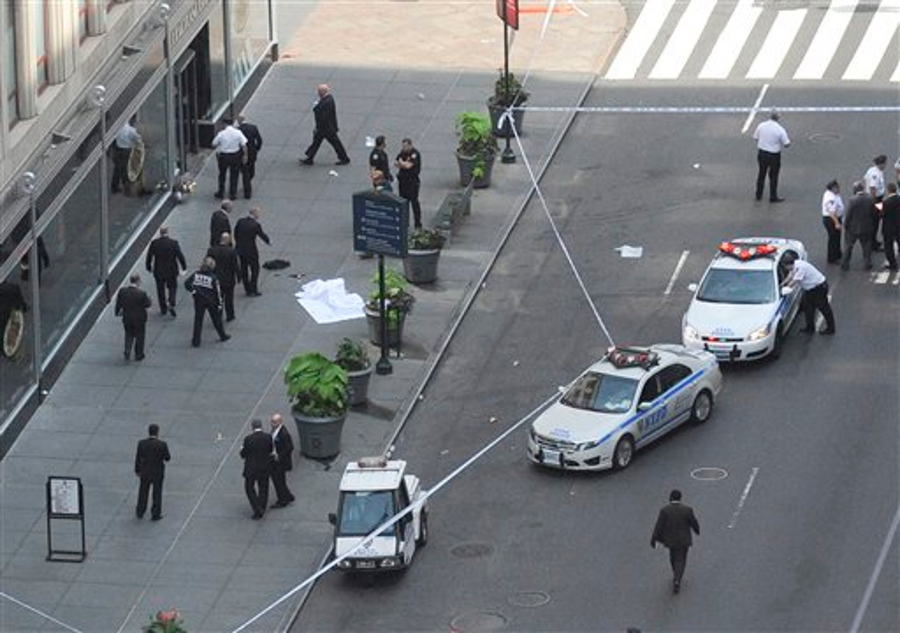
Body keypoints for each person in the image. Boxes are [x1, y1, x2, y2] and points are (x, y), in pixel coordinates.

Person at [651, 489, 700, 594]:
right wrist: (697, 530)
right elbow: (693, 522)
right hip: (684, 540)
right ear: (680, 498)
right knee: (681, 559)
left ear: (670, 498)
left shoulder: (665, 510)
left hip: (671, 540)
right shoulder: (687, 510)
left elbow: (658, 526)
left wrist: (654, 539)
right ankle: (677, 578)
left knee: (673, 557)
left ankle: (676, 573)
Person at [782, 252, 835, 335]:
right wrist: (781, 284)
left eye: (785, 267)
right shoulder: (794, 266)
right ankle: (810, 328)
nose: (785, 269)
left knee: (824, 308)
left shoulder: (800, 268)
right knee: (808, 308)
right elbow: (789, 277)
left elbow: (794, 281)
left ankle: (831, 328)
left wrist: (784, 289)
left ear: (789, 264)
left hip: (819, 288)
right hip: (810, 290)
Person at [183, 257, 230, 347]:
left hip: (198, 300)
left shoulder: (196, 275)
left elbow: (187, 283)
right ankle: (222, 335)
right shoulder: (213, 278)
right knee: (216, 320)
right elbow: (218, 292)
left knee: (198, 320)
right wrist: (219, 304)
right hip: (211, 301)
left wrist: (194, 291)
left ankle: (196, 341)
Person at [300, 84, 350, 166]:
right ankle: (310, 158)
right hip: (327, 128)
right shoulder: (328, 99)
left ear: (323, 91)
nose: (318, 93)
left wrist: (317, 127)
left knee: (335, 143)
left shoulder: (327, 102)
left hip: (326, 128)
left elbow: (323, 117)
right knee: (317, 142)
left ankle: (344, 158)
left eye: (319, 91)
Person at [145, 226, 187, 317]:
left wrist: (148, 267)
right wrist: (184, 267)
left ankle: (163, 308)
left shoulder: (154, 243)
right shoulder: (173, 243)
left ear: (160, 233)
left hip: (159, 270)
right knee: (173, 287)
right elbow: (180, 256)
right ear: (167, 232)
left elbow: (149, 256)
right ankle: (171, 302)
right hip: (171, 270)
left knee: (160, 290)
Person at [134, 424, 171, 521]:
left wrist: (137, 470)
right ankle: (155, 514)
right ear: (157, 432)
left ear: (149, 432)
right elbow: (167, 458)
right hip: (157, 472)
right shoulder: (162, 444)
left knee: (143, 491)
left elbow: (138, 458)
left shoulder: (141, 443)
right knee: (157, 493)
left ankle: (140, 511)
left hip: (145, 471)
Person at [753, 109, 790, 203]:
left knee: (761, 173)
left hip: (762, 153)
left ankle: (758, 194)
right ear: (778, 117)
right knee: (773, 176)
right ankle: (773, 196)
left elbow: (755, 137)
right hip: (774, 155)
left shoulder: (761, 125)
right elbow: (787, 144)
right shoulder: (780, 129)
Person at [240, 419, 273, 519]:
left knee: (249, 488)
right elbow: (270, 450)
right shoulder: (268, 437)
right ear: (261, 426)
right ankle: (262, 506)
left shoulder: (248, 439)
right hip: (264, 467)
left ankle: (257, 507)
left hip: (251, 468)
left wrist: (242, 449)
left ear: (252, 427)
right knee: (263, 487)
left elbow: (243, 454)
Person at [233, 207, 270, 296]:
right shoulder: (255, 225)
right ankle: (254, 288)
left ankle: (247, 289)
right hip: (251, 250)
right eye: (258, 213)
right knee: (255, 269)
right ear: (255, 214)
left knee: (244, 268)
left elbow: (235, 233)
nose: (259, 215)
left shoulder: (240, 221)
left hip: (240, 250)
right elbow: (261, 235)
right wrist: (268, 241)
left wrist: (238, 243)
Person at [115, 273, 151, 361]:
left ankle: (127, 350)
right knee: (140, 336)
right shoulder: (142, 293)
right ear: (138, 281)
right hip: (139, 319)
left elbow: (118, 303)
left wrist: (117, 312)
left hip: (127, 317)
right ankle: (139, 355)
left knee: (128, 334)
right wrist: (149, 299)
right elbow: (147, 304)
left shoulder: (122, 291)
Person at [841, 181, 876, 271]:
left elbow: (849, 215)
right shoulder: (870, 199)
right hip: (866, 227)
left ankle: (845, 264)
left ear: (855, 190)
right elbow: (874, 213)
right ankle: (867, 263)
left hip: (853, 228)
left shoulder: (852, 200)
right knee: (866, 246)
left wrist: (846, 225)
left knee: (848, 246)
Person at [207, 232, 241, 322]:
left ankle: (218, 314)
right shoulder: (231, 251)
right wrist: (239, 277)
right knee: (229, 298)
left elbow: (207, 264)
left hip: (216, 278)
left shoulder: (211, 250)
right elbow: (235, 265)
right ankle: (230, 315)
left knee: (218, 298)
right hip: (228, 279)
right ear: (228, 240)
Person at [212, 118, 248, 201]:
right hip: (235, 156)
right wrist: (245, 156)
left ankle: (221, 192)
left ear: (224, 124)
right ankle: (233, 194)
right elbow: (244, 145)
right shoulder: (238, 133)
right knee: (234, 175)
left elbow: (213, 143)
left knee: (222, 174)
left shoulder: (221, 133)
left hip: (224, 156)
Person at [269, 413, 296, 508]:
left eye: (274, 422)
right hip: (275, 460)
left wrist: (279, 456)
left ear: (280, 422)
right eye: (272, 421)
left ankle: (282, 500)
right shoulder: (275, 431)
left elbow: (290, 447)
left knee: (278, 481)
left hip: (280, 463)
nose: (272, 423)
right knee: (280, 481)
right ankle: (288, 496)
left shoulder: (284, 434)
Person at [395, 138, 423, 228]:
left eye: (406, 146)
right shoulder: (402, 153)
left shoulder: (414, 154)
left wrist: (402, 163)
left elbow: (408, 166)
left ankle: (417, 223)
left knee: (414, 203)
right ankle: (404, 223)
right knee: (403, 203)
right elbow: (395, 163)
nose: (404, 148)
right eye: (403, 146)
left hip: (412, 182)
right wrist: (403, 163)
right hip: (403, 182)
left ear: (410, 145)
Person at [112, 116, 141, 193]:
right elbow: (138, 139)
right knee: (126, 169)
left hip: (118, 150)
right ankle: (127, 186)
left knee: (117, 170)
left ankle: (114, 186)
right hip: (126, 151)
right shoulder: (131, 130)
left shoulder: (117, 128)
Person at [237, 113, 263, 199]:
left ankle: (247, 191)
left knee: (245, 173)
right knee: (251, 170)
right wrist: (257, 148)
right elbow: (259, 140)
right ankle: (248, 181)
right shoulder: (253, 127)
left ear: (239, 121)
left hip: (243, 154)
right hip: (252, 152)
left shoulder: (238, 130)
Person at [865, 155, 887, 250]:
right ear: (881, 164)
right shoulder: (875, 174)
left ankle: (873, 240)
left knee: (876, 220)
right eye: (885, 163)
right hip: (876, 200)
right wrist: (874, 204)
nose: (886, 165)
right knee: (875, 221)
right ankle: (872, 243)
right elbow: (872, 188)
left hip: (878, 199)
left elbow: (865, 179)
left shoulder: (872, 170)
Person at [821, 180, 844, 264]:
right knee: (833, 238)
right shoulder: (830, 198)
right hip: (831, 219)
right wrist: (837, 223)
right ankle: (832, 258)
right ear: (833, 188)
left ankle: (837, 253)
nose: (839, 189)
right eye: (837, 187)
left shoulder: (834, 194)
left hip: (835, 218)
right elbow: (832, 212)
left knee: (837, 236)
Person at [881, 182, 900, 270]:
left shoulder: (886, 202)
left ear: (888, 191)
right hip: (898, 224)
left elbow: (882, 214)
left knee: (888, 246)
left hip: (888, 227)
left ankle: (892, 264)